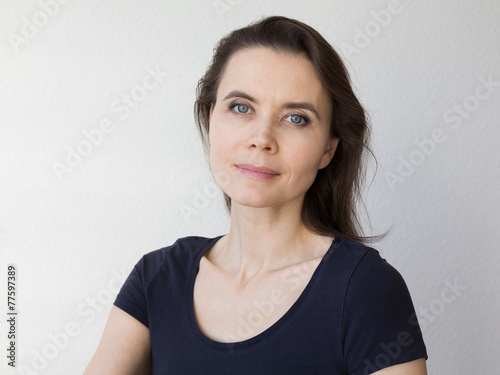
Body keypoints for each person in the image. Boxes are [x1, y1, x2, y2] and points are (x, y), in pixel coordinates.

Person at [83, 15, 428, 374]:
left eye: (295, 118)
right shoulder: (156, 279)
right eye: (241, 107)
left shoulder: (366, 289)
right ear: (210, 117)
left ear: (328, 148)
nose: (262, 138)